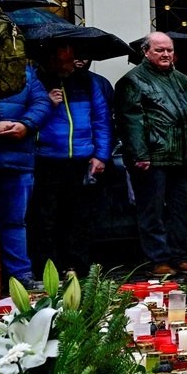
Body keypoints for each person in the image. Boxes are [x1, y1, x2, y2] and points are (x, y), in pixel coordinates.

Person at [117, 31, 187, 276]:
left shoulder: (183, 79)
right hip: (152, 157)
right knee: (151, 211)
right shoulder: (133, 80)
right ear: (146, 52)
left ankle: (179, 255)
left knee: (183, 210)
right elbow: (130, 121)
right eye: (159, 50)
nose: (166, 54)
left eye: (169, 50)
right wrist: (139, 154)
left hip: (184, 155)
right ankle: (158, 259)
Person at [30, 44, 111, 275]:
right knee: (45, 219)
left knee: (78, 217)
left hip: (81, 158)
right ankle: (47, 269)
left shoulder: (87, 82)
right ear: (52, 60)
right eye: (66, 61)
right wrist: (46, 103)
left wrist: (101, 155)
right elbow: (26, 118)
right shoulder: (35, 81)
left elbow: (101, 120)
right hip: (45, 159)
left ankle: (77, 267)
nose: (72, 64)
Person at [0, 62, 50, 286]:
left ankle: (21, 277)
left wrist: (26, 124)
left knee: (15, 221)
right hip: (15, 157)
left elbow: (42, 102)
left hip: (17, 160)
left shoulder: (24, 72)